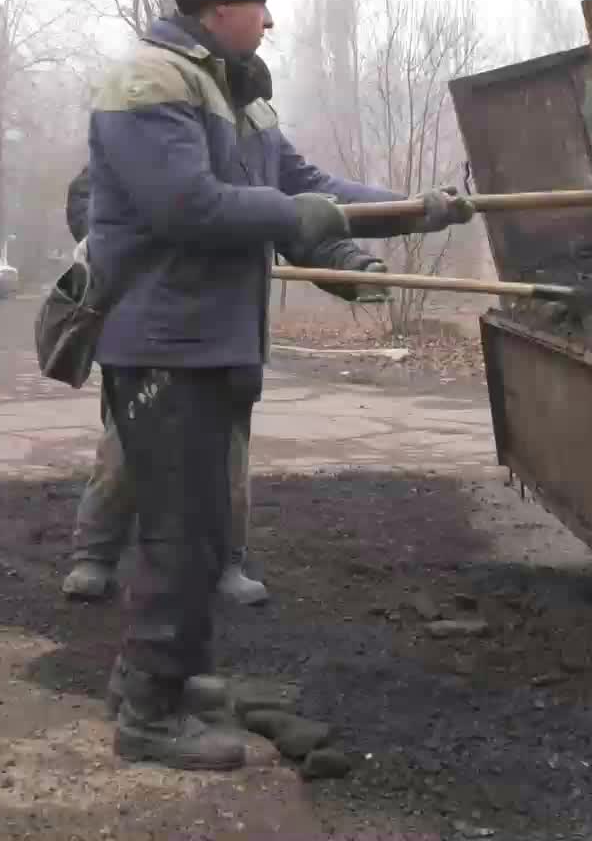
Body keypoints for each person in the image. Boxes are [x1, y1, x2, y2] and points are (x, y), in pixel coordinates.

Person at [85, 0, 473, 770]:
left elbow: (312, 186)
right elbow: (190, 208)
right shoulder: (148, 83)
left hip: (214, 342)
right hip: (163, 343)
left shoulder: (235, 96)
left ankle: (168, 677)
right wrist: (300, 221)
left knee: (206, 528)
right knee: (179, 533)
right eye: (260, 5)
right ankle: (147, 716)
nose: (270, 19)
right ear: (218, 9)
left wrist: (417, 210)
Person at [60, 56, 389, 609]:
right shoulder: (155, 123)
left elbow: (303, 206)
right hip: (152, 321)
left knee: (227, 453)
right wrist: (168, 232)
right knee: (127, 445)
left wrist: (353, 261)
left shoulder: (260, 130)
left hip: (230, 324)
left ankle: (224, 564)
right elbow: (96, 206)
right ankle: (95, 554)